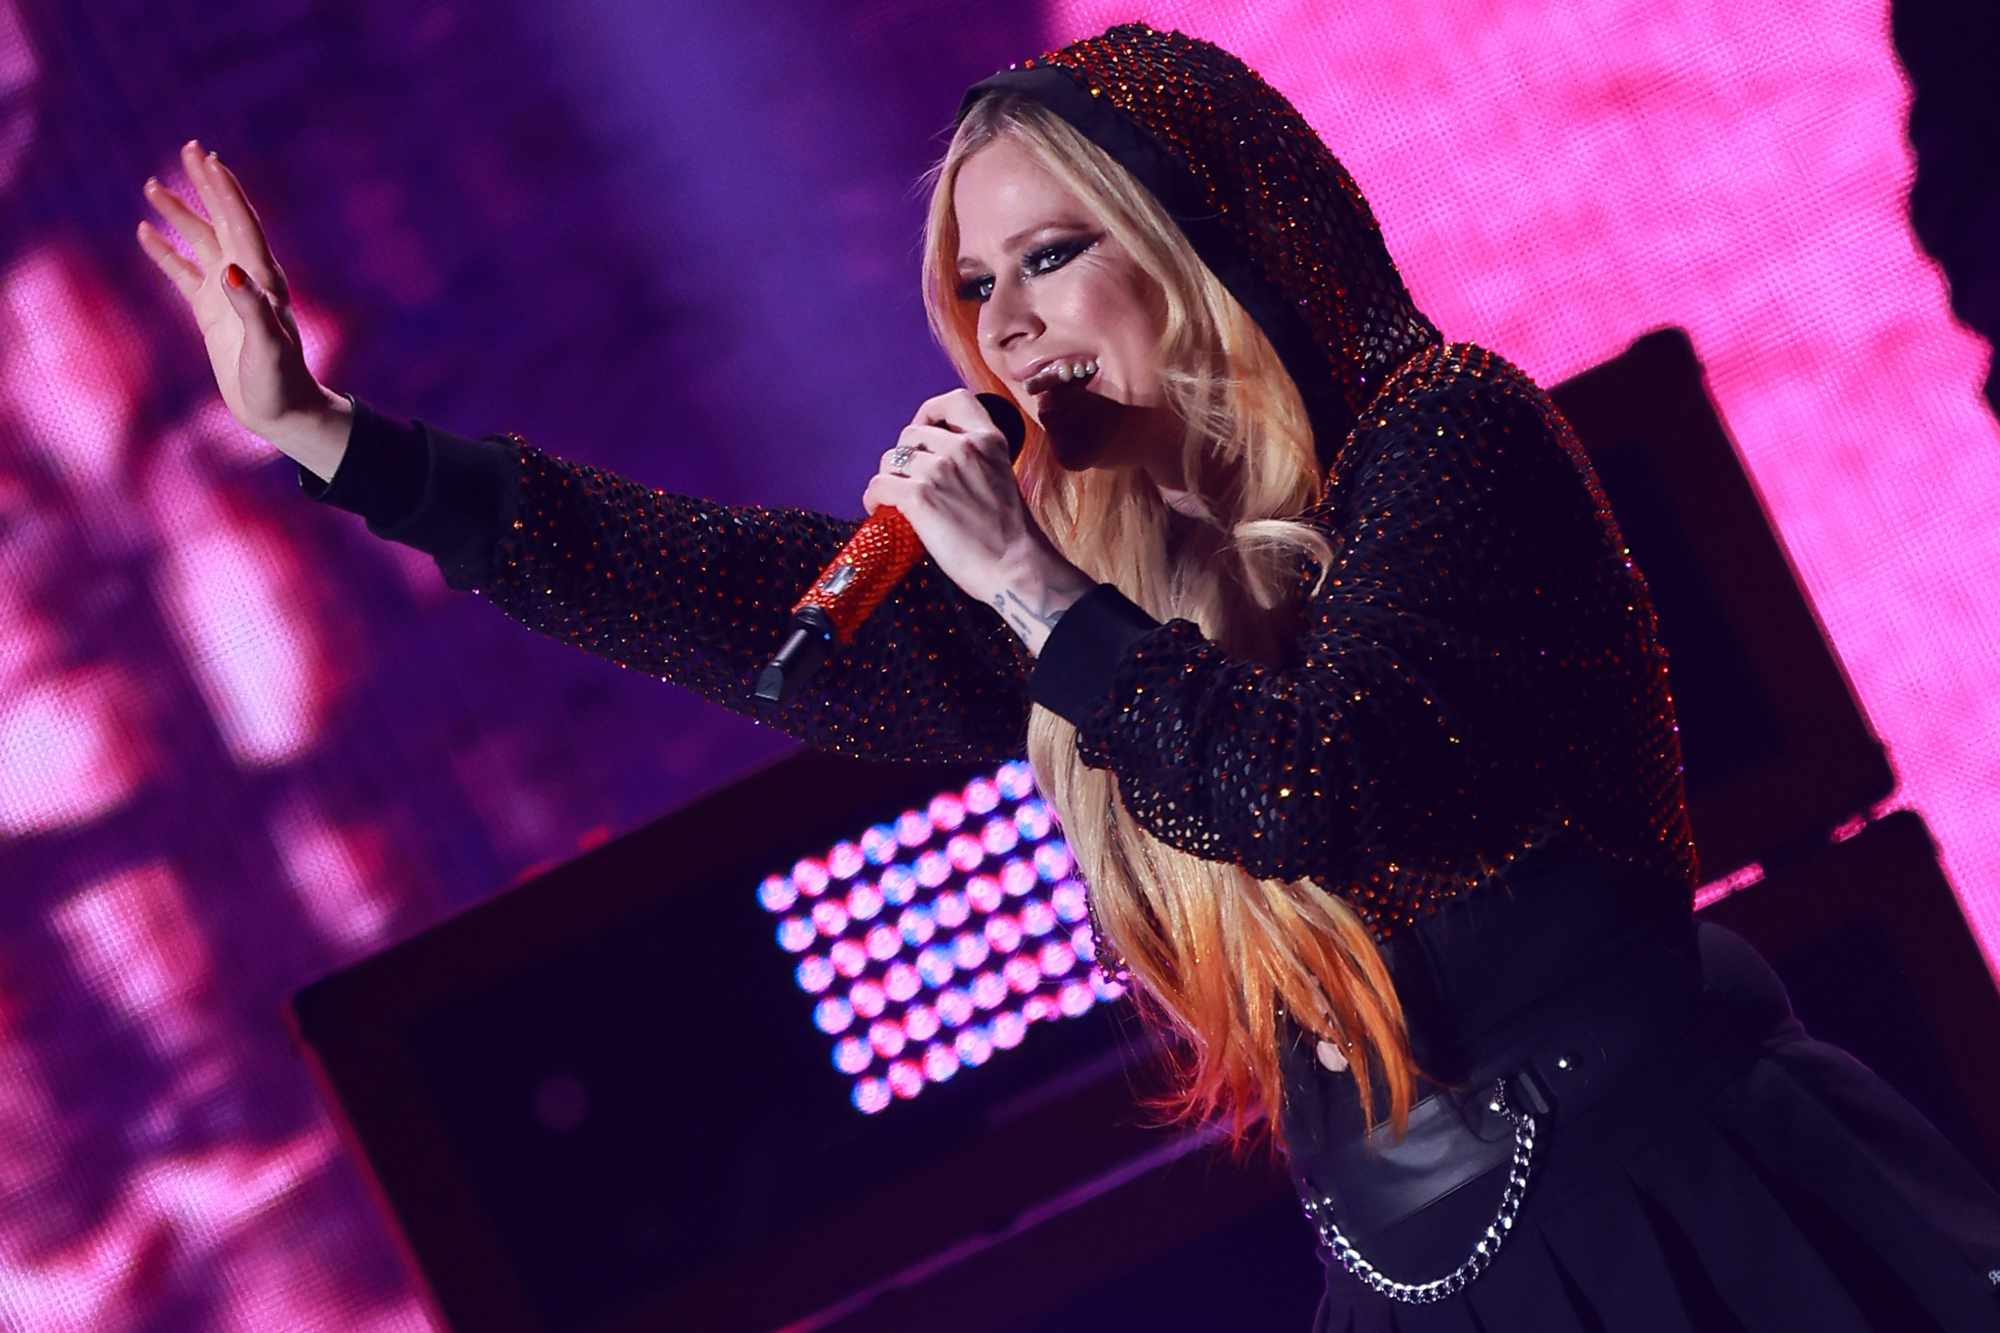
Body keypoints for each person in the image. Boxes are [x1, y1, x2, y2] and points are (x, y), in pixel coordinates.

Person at [137, 20, 2000, 1331]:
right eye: (974, 292)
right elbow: (723, 598)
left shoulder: (1447, 443)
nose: (1009, 326)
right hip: (1439, 1290)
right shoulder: (1113, 582)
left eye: (1050, 257)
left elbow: (1308, 791)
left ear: (1200, 249)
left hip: (1692, 1227)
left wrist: (1033, 587)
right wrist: (339, 444)